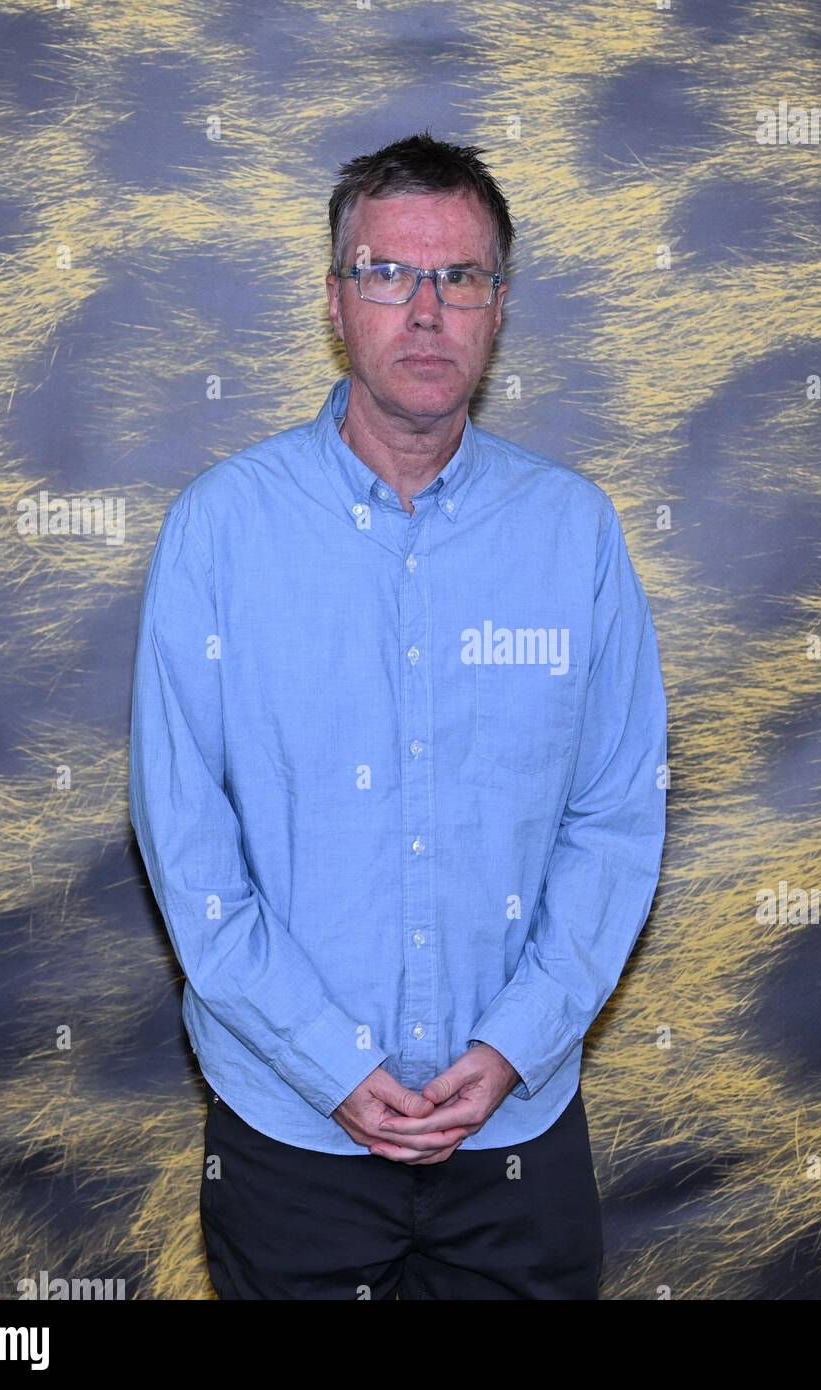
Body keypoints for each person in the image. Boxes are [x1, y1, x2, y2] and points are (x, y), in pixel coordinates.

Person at [128, 129, 668, 1300]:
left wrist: (513, 1044)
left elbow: (614, 819)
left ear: (497, 306)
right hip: (291, 1132)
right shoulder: (218, 532)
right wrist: (326, 1060)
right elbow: (185, 840)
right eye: (387, 272)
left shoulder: (575, 533)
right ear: (336, 300)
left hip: (517, 1134)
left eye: (458, 276)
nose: (424, 310)